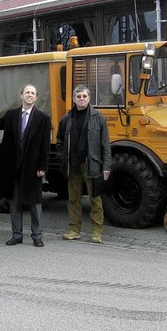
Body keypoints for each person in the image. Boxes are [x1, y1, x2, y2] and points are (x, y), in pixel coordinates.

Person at [0, 84, 52, 247]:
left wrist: (43, 167)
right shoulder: (11, 115)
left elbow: (45, 146)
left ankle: (37, 236)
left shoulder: (43, 119)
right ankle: (17, 235)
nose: (30, 95)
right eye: (27, 92)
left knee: (34, 203)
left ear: (36, 97)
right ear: (21, 96)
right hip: (12, 167)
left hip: (32, 169)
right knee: (14, 202)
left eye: (33, 93)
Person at [56, 84, 112, 243]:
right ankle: (74, 230)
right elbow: (59, 140)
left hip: (92, 164)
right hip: (73, 165)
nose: (81, 99)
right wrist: (62, 158)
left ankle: (97, 231)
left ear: (89, 98)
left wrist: (106, 166)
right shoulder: (67, 118)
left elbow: (105, 144)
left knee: (95, 198)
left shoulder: (98, 118)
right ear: (74, 99)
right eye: (78, 96)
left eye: (84, 96)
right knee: (73, 199)